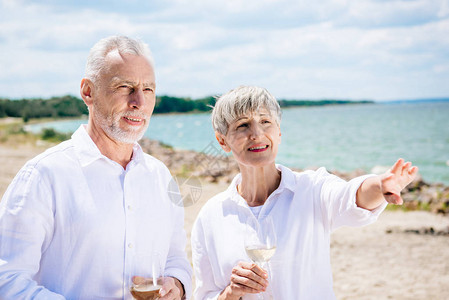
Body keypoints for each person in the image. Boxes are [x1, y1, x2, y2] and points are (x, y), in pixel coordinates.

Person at [0, 36, 192, 299]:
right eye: (125, 86)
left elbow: (176, 257)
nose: (139, 102)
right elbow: (7, 280)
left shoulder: (161, 176)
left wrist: (177, 285)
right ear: (88, 92)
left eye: (148, 89)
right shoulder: (43, 175)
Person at [191, 85, 418, 299]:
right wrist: (231, 292)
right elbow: (204, 295)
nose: (257, 134)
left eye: (265, 121)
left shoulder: (312, 189)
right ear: (222, 140)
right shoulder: (211, 216)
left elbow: (351, 197)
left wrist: (379, 186)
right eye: (243, 125)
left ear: (279, 132)